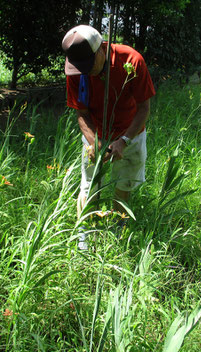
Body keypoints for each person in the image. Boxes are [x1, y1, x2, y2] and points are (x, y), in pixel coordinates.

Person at [62, 24, 155, 221]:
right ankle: (84, 238)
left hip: (131, 133)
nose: (84, 73)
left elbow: (144, 108)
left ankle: (118, 232)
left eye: (89, 66)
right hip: (96, 133)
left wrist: (124, 140)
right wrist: (95, 141)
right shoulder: (77, 69)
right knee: (89, 186)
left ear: (102, 50)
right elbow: (82, 113)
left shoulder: (131, 61)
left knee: (124, 187)